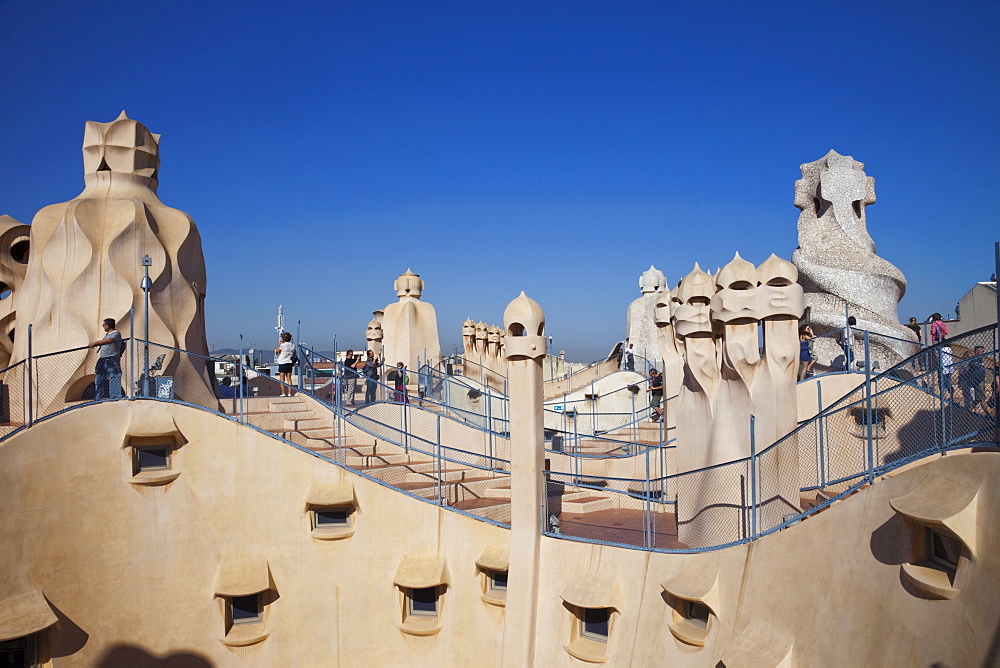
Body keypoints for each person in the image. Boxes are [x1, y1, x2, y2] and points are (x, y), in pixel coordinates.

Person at [90, 318, 123, 400]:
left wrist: (96, 343)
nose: (103, 326)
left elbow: (110, 340)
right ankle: (98, 397)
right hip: (102, 359)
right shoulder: (106, 335)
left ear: (108, 325)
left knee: (113, 376)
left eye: (104, 325)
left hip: (111, 358)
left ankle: (115, 396)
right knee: (99, 378)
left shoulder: (116, 333)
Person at [958, 346, 987, 411]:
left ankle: (972, 409)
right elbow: (963, 372)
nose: (984, 353)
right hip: (972, 381)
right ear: (977, 351)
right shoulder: (971, 361)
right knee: (972, 398)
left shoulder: (979, 359)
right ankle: (971, 411)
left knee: (974, 398)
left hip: (976, 381)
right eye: (982, 351)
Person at [275, 332, 295, 397]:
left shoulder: (283, 345)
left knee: (282, 379)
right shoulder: (292, 345)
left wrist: (279, 344)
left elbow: (277, 351)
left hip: (282, 362)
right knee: (289, 378)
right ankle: (289, 393)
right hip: (289, 362)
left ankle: (283, 393)